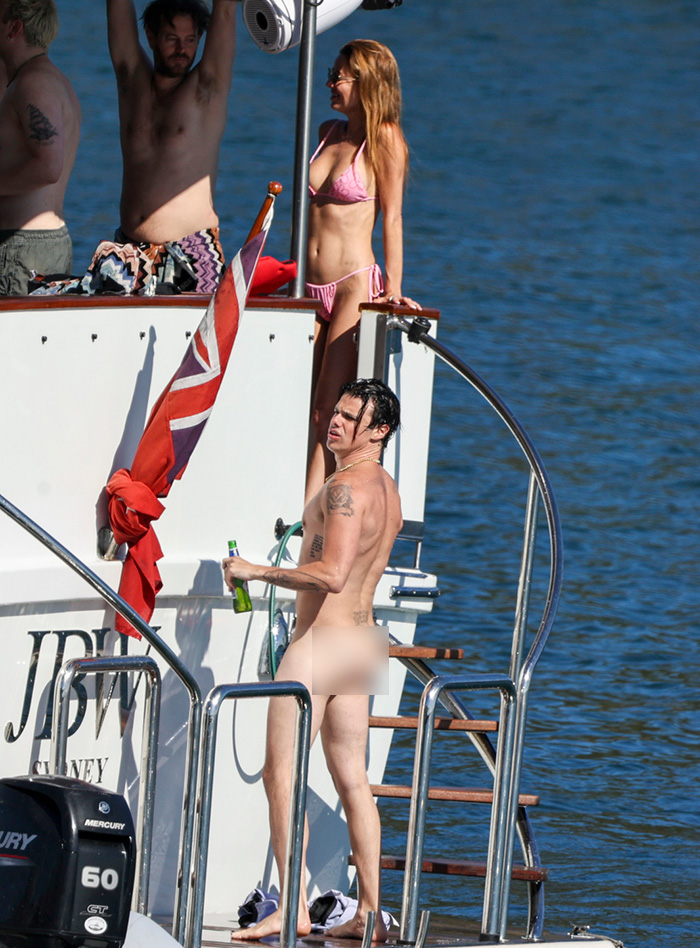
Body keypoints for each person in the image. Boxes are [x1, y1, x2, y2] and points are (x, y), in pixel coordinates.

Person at [223, 378, 403, 943]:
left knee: (282, 771)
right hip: (360, 640)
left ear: (379, 431)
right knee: (353, 777)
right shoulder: (388, 490)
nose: (337, 423)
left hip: (321, 646)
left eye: (352, 419)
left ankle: (294, 907)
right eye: (337, 412)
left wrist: (254, 572)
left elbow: (332, 575)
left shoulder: (346, 489)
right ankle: (371, 913)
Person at [305, 40, 419, 502]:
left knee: (325, 412)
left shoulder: (385, 138)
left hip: (352, 283)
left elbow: (392, 216)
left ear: (367, 82)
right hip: (307, 284)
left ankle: (306, 512)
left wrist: (393, 289)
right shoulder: (327, 131)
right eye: (331, 73)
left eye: (341, 76)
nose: (331, 83)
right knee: (294, 399)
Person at [98, 0, 238, 294]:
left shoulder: (206, 89)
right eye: (172, 39)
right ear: (150, 36)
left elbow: (225, 10)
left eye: (190, 40)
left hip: (190, 256)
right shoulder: (132, 83)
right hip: (128, 253)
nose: (181, 49)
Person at [0, 0, 81, 295]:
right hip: (43, 242)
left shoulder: (32, 84)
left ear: (14, 28)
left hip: (22, 249)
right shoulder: (52, 79)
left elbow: (48, 166)